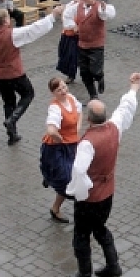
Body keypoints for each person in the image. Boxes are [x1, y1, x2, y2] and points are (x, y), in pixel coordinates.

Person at [67, 73, 140, 277]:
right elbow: (125, 107)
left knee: (81, 235)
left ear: (89, 119)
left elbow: (79, 171)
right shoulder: (114, 128)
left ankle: (85, 276)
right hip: (108, 192)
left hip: (91, 198)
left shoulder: (87, 143)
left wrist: (79, 194)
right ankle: (113, 265)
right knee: (100, 228)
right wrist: (134, 87)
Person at [0, 5, 63, 144]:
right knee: (28, 94)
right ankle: (12, 119)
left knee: (8, 102)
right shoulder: (12, 34)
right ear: (6, 20)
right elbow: (34, 29)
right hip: (14, 72)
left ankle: (12, 134)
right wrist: (52, 16)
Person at [40, 77, 82, 223]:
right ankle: (51, 178)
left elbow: (79, 111)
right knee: (68, 180)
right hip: (55, 150)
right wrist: (61, 140)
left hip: (71, 146)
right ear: (53, 93)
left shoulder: (70, 98)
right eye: (59, 90)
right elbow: (51, 130)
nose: (64, 91)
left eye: (64, 87)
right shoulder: (55, 108)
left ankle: (55, 208)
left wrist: (77, 129)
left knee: (72, 179)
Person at [75, 0, 116, 100]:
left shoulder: (99, 7)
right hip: (82, 44)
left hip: (96, 45)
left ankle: (100, 78)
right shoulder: (79, 6)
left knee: (95, 70)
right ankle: (93, 95)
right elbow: (70, 15)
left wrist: (104, 8)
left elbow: (108, 14)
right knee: (84, 72)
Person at [56, 0, 82, 84]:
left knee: (73, 57)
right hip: (66, 35)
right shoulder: (70, 5)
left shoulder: (80, 9)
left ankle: (72, 75)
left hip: (75, 37)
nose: (75, 0)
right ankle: (71, 73)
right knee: (64, 54)